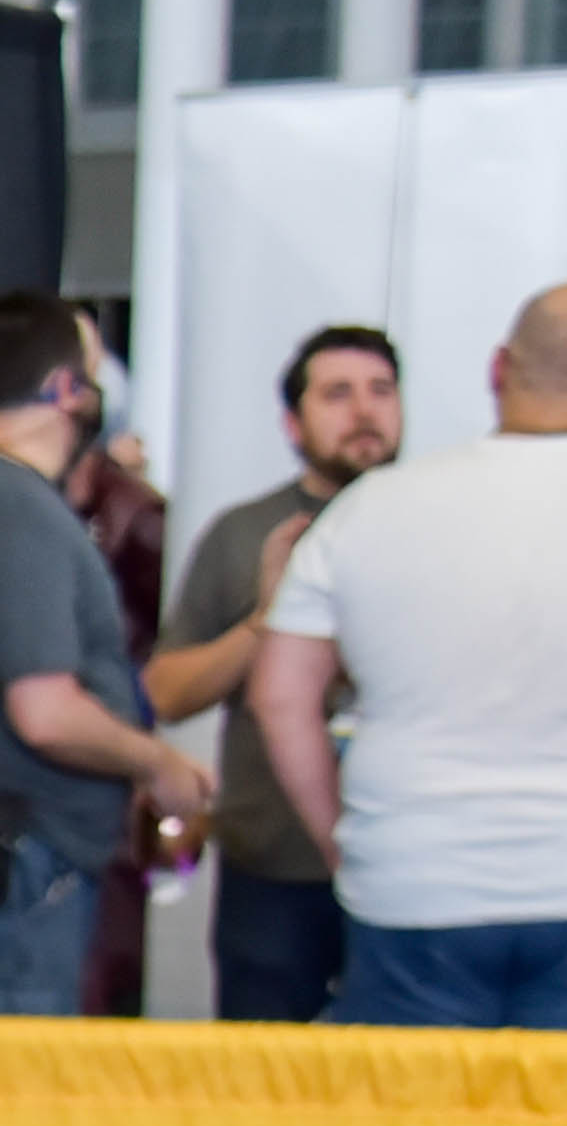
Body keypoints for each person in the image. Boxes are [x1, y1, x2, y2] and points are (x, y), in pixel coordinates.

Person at [250, 282, 567, 1033]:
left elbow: (280, 697)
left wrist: (344, 843)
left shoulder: (369, 508)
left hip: (415, 881)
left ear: (499, 370)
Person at [0, 289, 206, 1016]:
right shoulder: (13, 507)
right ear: (65, 390)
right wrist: (159, 762)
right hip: (26, 868)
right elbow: (45, 712)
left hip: (21, 857)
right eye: (94, 370)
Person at [157, 323, 400, 1025]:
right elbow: (169, 693)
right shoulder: (244, 534)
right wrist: (267, 616)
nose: (364, 411)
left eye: (381, 391)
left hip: (406, 865)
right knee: (271, 1085)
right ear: (293, 423)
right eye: (338, 394)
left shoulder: (435, 524)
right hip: (272, 869)